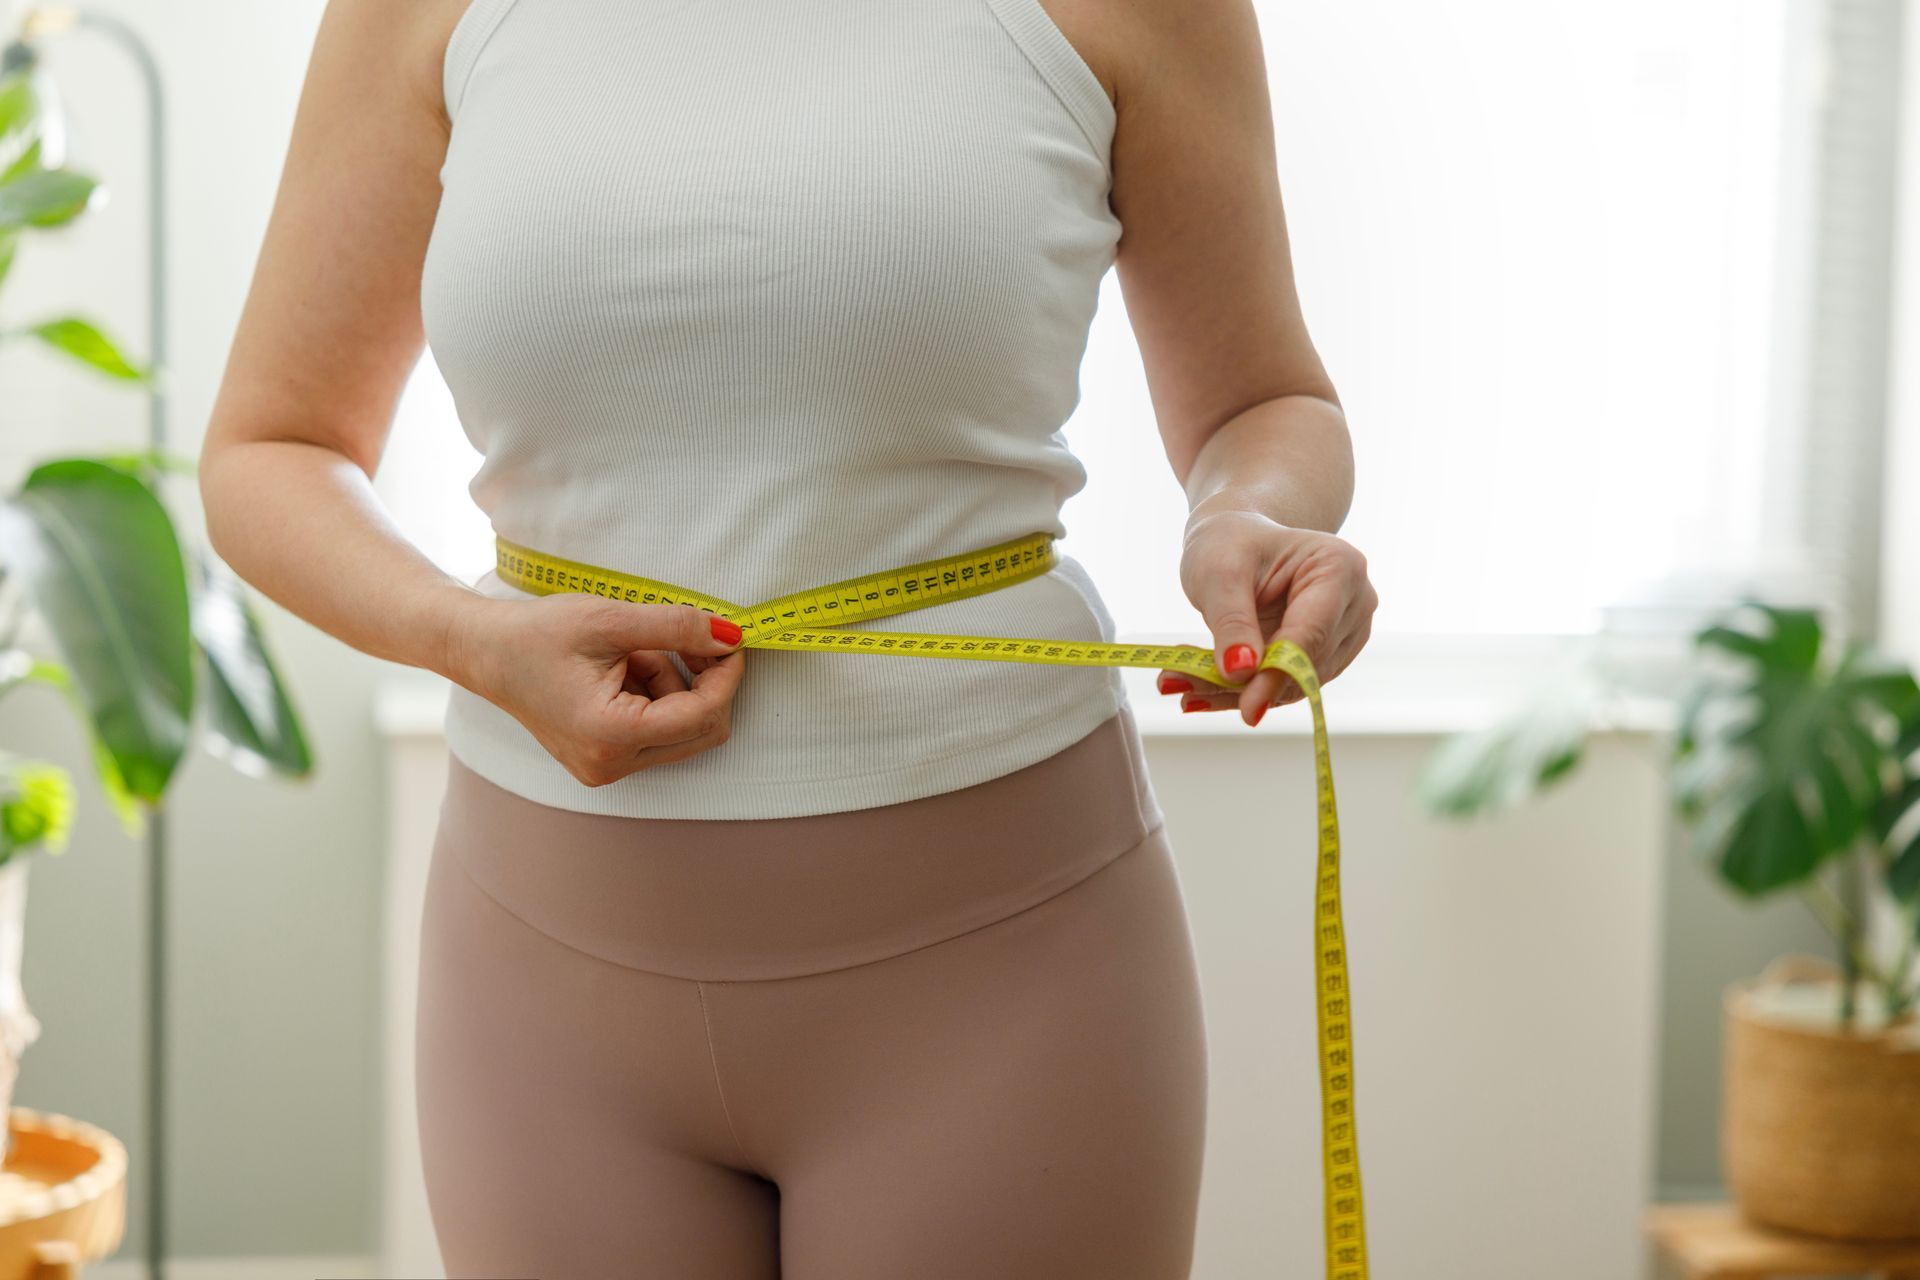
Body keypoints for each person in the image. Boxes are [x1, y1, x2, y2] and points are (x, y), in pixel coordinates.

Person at [198, 0, 1378, 1273]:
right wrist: (470, 636)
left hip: (1008, 971)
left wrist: (1248, 515)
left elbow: (1264, 396)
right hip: (541, 995)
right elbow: (272, 447)